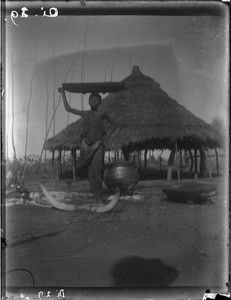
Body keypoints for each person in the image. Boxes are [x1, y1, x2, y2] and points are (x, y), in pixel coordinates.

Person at [58, 88, 117, 204]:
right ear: (89, 102)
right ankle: (95, 197)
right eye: (92, 99)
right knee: (90, 172)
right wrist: (63, 94)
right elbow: (68, 108)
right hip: (86, 145)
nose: (94, 101)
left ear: (100, 102)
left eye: (96, 100)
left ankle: (100, 199)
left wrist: (105, 134)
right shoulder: (85, 113)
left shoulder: (102, 113)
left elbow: (114, 123)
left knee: (97, 171)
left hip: (98, 145)